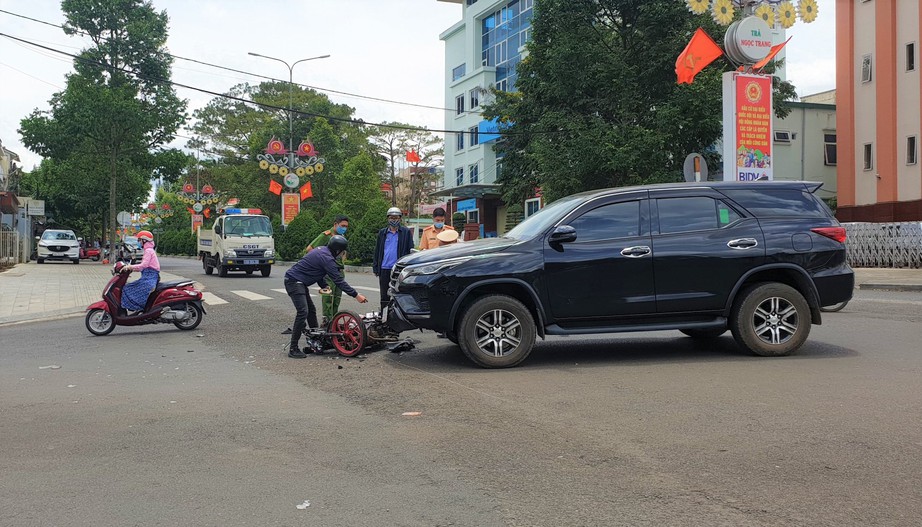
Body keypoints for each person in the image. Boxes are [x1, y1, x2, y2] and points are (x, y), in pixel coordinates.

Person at [284, 235, 367, 358]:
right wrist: (356, 295)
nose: (342, 255)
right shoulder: (327, 258)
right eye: (342, 252)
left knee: (311, 311)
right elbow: (339, 281)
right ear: (338, 250)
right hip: (294, 282)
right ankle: (293, 348)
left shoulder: (323, 250)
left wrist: (324, 285)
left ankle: (316, 340)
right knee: (303, 312)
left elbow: (317, 271)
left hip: (299, 282)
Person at [305, 215, 350, 326]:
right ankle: (326, 322)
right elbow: (310, 249)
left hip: (339, 271)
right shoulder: (326, 236)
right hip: (328, 273)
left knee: (337, 299)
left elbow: (344, 253)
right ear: (335, 224)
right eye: (342, 226)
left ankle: (333, 322)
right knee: (328, 298)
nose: (344, 228)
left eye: (346, 226)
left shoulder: (342, 237)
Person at [372, 207, 414, 312]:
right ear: (388, 218)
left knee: (399, 295)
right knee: (384, 296)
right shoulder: (382, 233)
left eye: (396, 217)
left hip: (399, 269)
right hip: (384, 268)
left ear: (400, 219)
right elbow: (378, 250)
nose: (394, 220)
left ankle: (397, 319)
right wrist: (376, 267)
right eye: (391, 217)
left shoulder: (405, 232)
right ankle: (384, 319)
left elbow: (410, 250)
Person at [120, 230, 159, 314]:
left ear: (144, 240)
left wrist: (130, 266)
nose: (138, 242)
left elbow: (143, 265)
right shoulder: (149, 250)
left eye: (139, 240)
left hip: (149, 280)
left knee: (127, 288)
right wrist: (131, 269)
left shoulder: (148, 251)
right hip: (148, 278)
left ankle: (140, 308)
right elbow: (143, 267)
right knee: (129, 287)